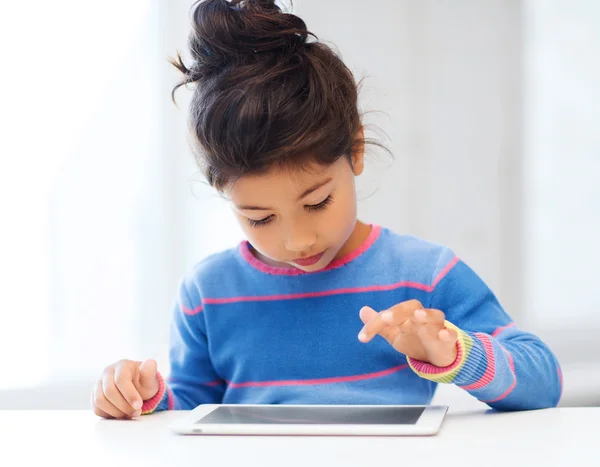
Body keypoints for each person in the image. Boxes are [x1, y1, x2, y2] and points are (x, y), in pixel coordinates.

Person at [92, 0, 562, 419]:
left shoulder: (423, 274)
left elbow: (544, 382)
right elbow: (191, 409)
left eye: (317, 202)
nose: (298, 241)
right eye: (259, 218)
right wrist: (144, 398)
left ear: (355, 149)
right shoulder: (207, 293)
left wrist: (453, 354)